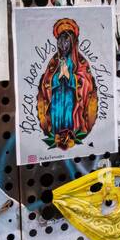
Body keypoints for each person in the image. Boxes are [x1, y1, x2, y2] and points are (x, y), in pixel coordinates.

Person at [35, 18, 101, 150]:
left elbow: (87, 82)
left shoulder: (80, 62)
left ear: (72, 42)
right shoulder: (54, 61)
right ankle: (57, 135)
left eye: (66, 41)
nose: (62, 45)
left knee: (69, 117)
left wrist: (71, 78)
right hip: (57, 99)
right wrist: (56, 78)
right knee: (57, 118)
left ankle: (71, 135)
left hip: (72, 100)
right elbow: (46, 82)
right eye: (60, 41)